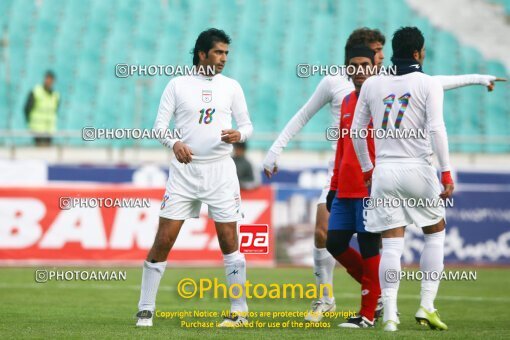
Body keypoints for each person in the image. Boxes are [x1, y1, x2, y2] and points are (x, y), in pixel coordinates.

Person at [262, 27, 504, 322]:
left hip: (374, 173)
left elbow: (433, 82)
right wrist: (275, 150)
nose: (381, 57)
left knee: (374, 244)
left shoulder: (383, 82)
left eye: (380, 52)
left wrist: (478, 79)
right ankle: (329, 298)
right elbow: (303, 114)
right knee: (324, 235)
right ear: (358, 55)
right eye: (376, 51)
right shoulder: (334, 83)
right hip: (338, 172)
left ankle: (374, 301)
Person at [136, 28, 253, 328]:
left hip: (221, 170)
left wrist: (240, 134)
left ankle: (239, 311)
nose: (224, 58)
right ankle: (145, 309)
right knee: (164, 239)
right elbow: (159, 127)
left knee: (229, 240)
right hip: (185, 173)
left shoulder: (231, 87)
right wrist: (174, 143)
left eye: (226, 53)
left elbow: (248, 125)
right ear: (202, 54)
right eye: (218, 52)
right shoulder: (177, 85)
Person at [352, 26, 453, 332]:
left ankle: (391, 316)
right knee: (435, 232)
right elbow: (436, 128)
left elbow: (357, 132)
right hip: (417, 169)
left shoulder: (372, 85)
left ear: (392, 52)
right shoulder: (428, 83)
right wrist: (446, 172)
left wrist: (368, 169)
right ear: (417, 53)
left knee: (392, 245)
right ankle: (426, 305)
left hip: (384, 171)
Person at [326, 45, 380, 328]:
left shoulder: (383, 101)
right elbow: (341, 146)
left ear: (375, 67)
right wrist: (333, 185)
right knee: (334, 243)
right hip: (344, 188)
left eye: (364, 64)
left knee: (370, 245)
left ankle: (368, 313)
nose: (358, 70)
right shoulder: (346, 101)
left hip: (370, 187)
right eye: (353, 65)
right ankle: (378, 293)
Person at [24, 70, 60, 146]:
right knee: (39, 151)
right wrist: (30, 121)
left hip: (49, 128)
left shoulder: (56, 95)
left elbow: (56, 110)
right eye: (47, 78)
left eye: (51, 79)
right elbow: (27, 108)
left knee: (47, 152)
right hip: (37, 128)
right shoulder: (36, 91)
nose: (49, 81)